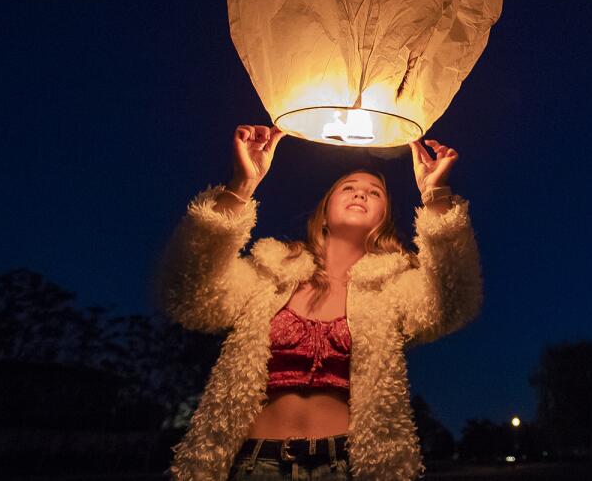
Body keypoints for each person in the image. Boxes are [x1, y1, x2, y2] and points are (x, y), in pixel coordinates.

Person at [152, 125, 483, 481]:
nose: (361, 194)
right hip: (253, 465)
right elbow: (188, 292)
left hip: (347, 467)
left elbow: (452, 301)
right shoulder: (270, 273)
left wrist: (436, 197)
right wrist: (240, 186)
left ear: (382, 219)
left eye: (374, 193)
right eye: (348, 188)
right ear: (324, 212)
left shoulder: (391, 287)